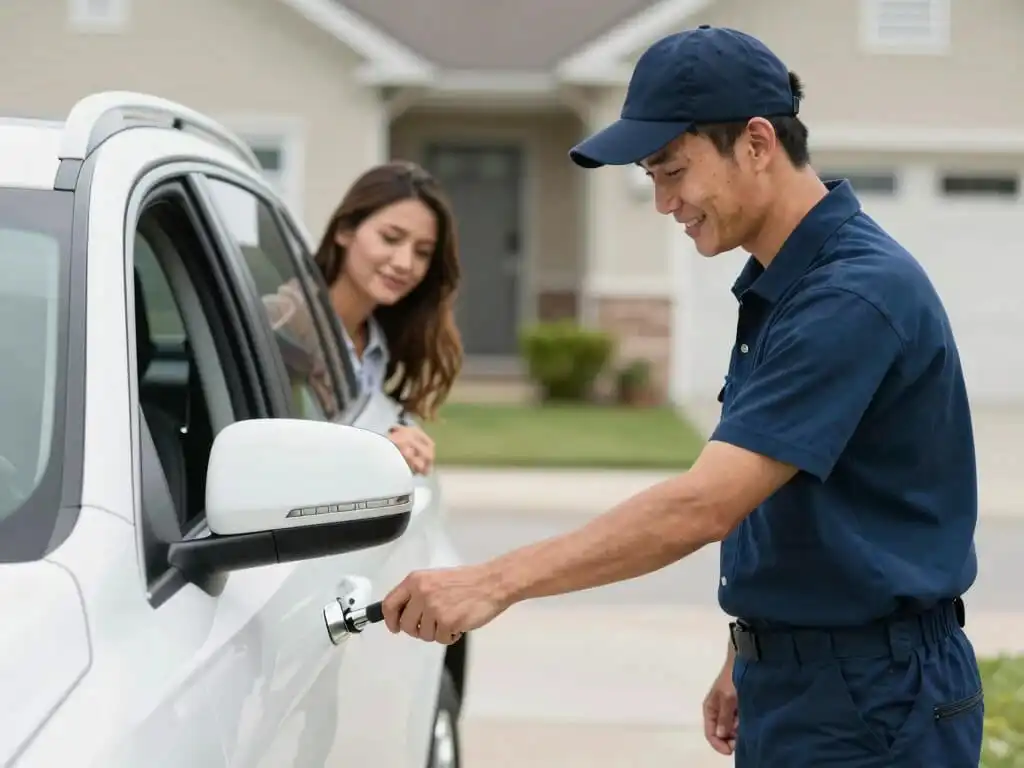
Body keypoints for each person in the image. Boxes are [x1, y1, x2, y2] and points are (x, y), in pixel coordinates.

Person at [379, 25, 983, 767]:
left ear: (757, 143)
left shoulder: (851, 296)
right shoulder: (785, 286)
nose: (664, 202)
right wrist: (754, 642)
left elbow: (705, 503)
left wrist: (493, 582)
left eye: (672, 171)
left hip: (874, 703)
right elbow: (793, 495)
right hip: (813, 680)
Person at [266, 160, 463, 473]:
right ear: (345, 231)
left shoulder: (375, 344)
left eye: (423, 252)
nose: (404, 263)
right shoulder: (282, 324)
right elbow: (272, 452)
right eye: (391, 238)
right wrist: (378, 450)